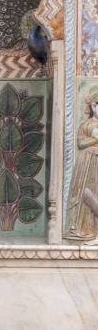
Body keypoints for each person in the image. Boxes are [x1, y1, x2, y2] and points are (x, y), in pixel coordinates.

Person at [66, 88, 98, 243]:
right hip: (88, 162)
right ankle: (87, 229)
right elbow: (80, 143)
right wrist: (94, 139)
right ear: (93, 107)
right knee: (85, 194)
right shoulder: (86, 124)